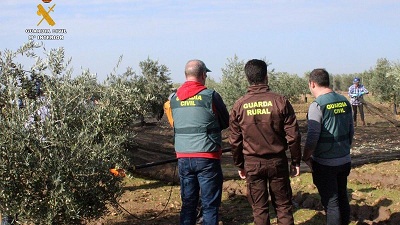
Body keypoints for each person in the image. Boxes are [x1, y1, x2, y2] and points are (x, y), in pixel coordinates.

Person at [229, 59, 301, 225]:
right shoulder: (280, 101)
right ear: (266, 77)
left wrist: (240, 165)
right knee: (283, 207)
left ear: (248, 78)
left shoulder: (239, 105)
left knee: (259, 210)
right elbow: (294, 135)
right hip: (278, 162)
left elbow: (235, 140)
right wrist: (295, 161)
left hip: (252, 163)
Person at [169, 59, 229, 225]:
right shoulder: (211, 96)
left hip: (183, 157)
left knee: (188, 204)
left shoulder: (174, 99)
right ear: (203, 75)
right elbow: (225, 122)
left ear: (185, 75)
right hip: (207, 157)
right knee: (209, 205)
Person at [303, 69, 354, 225]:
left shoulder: (317, 105)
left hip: (325, 163)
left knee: (332, 203)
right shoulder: (344, 101)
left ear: (312, 83)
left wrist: (306, 157)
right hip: (344, 160)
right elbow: (351, 130)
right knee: (342, 197)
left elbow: (312, 137)